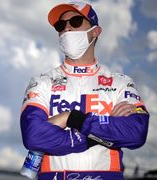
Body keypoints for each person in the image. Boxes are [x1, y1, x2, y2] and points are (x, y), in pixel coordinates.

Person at [20, 1, 149, 180]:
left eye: (75, 22)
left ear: (95, 31)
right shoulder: (41, 82)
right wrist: (99, 133)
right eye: (60, 25)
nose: (67, 29)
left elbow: (136, 133)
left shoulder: (121, 82)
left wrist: (71, 118)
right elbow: (34, 136)